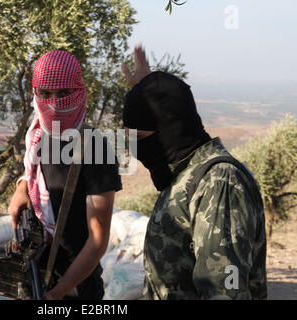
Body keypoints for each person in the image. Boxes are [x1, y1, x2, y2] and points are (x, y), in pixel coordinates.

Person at [121, 46, 267, 299]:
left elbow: (224, 291)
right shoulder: (186, 174)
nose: (136, 148)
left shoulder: (220, 182)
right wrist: (145, 89)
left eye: (140, 137)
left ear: (170, 128)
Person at [8, 50, 122, 300]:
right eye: (46, 94)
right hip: (36, 275)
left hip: (74, 288)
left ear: (79, 91)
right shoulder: (40, 131)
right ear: (35, 93)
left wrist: (57, 293)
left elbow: (97, 242)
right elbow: (36, 172)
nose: (54, 103)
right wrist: (22, 186)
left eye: (63, 94)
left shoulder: (94, 148)